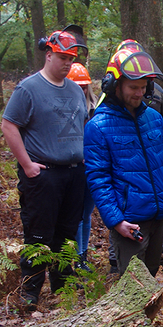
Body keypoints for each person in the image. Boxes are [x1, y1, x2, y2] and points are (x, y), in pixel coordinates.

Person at [0, 29, 88, 303]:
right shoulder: (28, 88)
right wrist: (27, 165)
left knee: (67, 233)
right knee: (38, 234)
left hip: (75, 173)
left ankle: (62, 290)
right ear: (48, 55)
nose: (67, 63)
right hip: (43, 174)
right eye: (62, 57)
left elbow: (83, 125)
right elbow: (9, 125)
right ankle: (29, 293)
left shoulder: (75, 90)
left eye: (71, 58)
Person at [84, 49, 163, 276]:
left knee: (152, 273)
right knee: (134, 283)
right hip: (130, 221)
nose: (139, 93)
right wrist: (116, 221)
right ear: (115, 86)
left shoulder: (154, 118)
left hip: (158, 213)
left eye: (143, 87)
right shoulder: (98, 126)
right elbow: (98, 180)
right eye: (133, 87)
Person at [70, 62, 98, 272]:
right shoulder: (65, 113)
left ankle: (84, 255)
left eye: (84, 86)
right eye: (76, 86)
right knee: (78, 215)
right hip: (75, 170)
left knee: (86, 214)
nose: (81, 90)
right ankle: (77, 257)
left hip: (92, 169)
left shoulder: (95, 110)